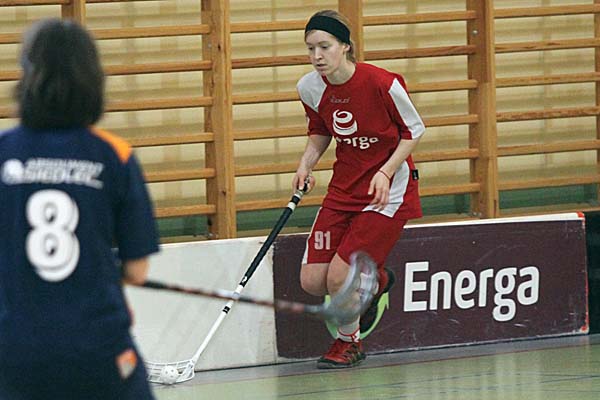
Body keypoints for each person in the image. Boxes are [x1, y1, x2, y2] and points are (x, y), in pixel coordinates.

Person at [0, 19, 159, 399]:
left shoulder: (3, 152)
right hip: (98, 346)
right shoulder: (114, 155)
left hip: (15, 349)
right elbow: (136, 270)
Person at [293, 10, 425, 369]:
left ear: (345, 47)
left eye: (325, 47)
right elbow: (320, 130)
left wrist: (386, 171)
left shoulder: (382, 83)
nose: (317, 56)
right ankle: (376, 281)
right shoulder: (310, 87)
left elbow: (414, 130)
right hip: (344, 188)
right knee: (312, 281)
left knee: (339, 278)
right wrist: (306, 164)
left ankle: (349, 343)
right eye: (310, 48)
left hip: (387, 192)